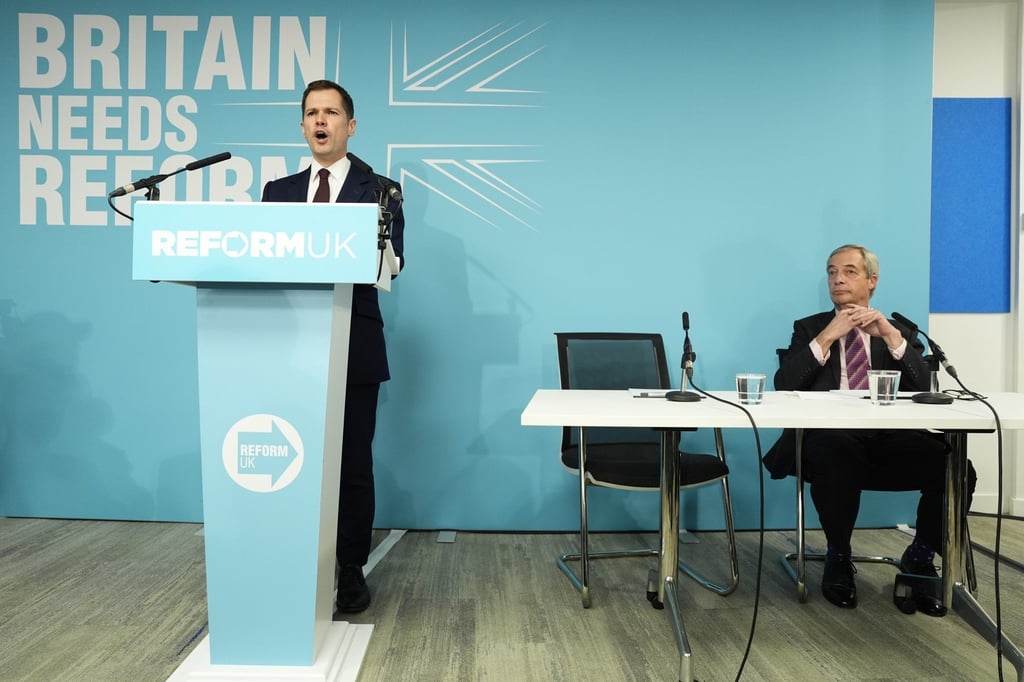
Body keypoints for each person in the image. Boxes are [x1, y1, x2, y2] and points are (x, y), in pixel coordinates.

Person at [763, 244, 975, 616]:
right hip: (828, 440)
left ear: (871, 281)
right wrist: (828, 336)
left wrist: (892, 337)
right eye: (831, 272)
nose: (837, 279)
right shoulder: (809, 327)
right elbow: (785, 384)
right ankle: (839, 556)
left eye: (848, 271)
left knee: (956, 467)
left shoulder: (899, 329)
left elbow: (925, 387)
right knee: (836, 449)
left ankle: (920, 557)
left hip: (886, 438)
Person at [261, 79, 405, 614]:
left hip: (354, 343)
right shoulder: (277, 192)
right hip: (289, 347)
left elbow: (394, 265)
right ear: (302, 125)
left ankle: (349, 569)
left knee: (351, 464)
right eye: (311, 113)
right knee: (291, 457)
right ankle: (295, 560)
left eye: (331, 112)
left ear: (350, 125)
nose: (320, 121)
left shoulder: (381, 190)